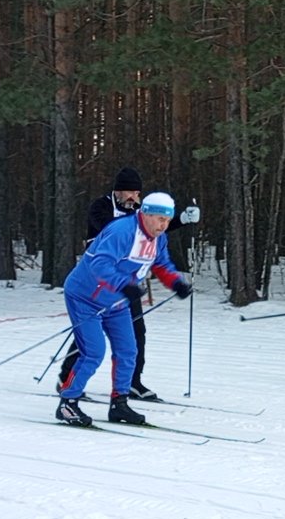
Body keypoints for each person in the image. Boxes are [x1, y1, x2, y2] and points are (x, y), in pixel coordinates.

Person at [57, 167, 200, 401]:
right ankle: (67, 379)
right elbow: (121, 231)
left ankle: (130, 384)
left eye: (137, 192)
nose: (133, 196)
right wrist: (141, 217)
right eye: (128, 192)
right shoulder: (103, 208)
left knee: (134, 337)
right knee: (90, 342)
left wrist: (181, 221)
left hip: (124, 286)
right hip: (96, 282)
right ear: (117, 191)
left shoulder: (144, 218)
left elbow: (153, 231)